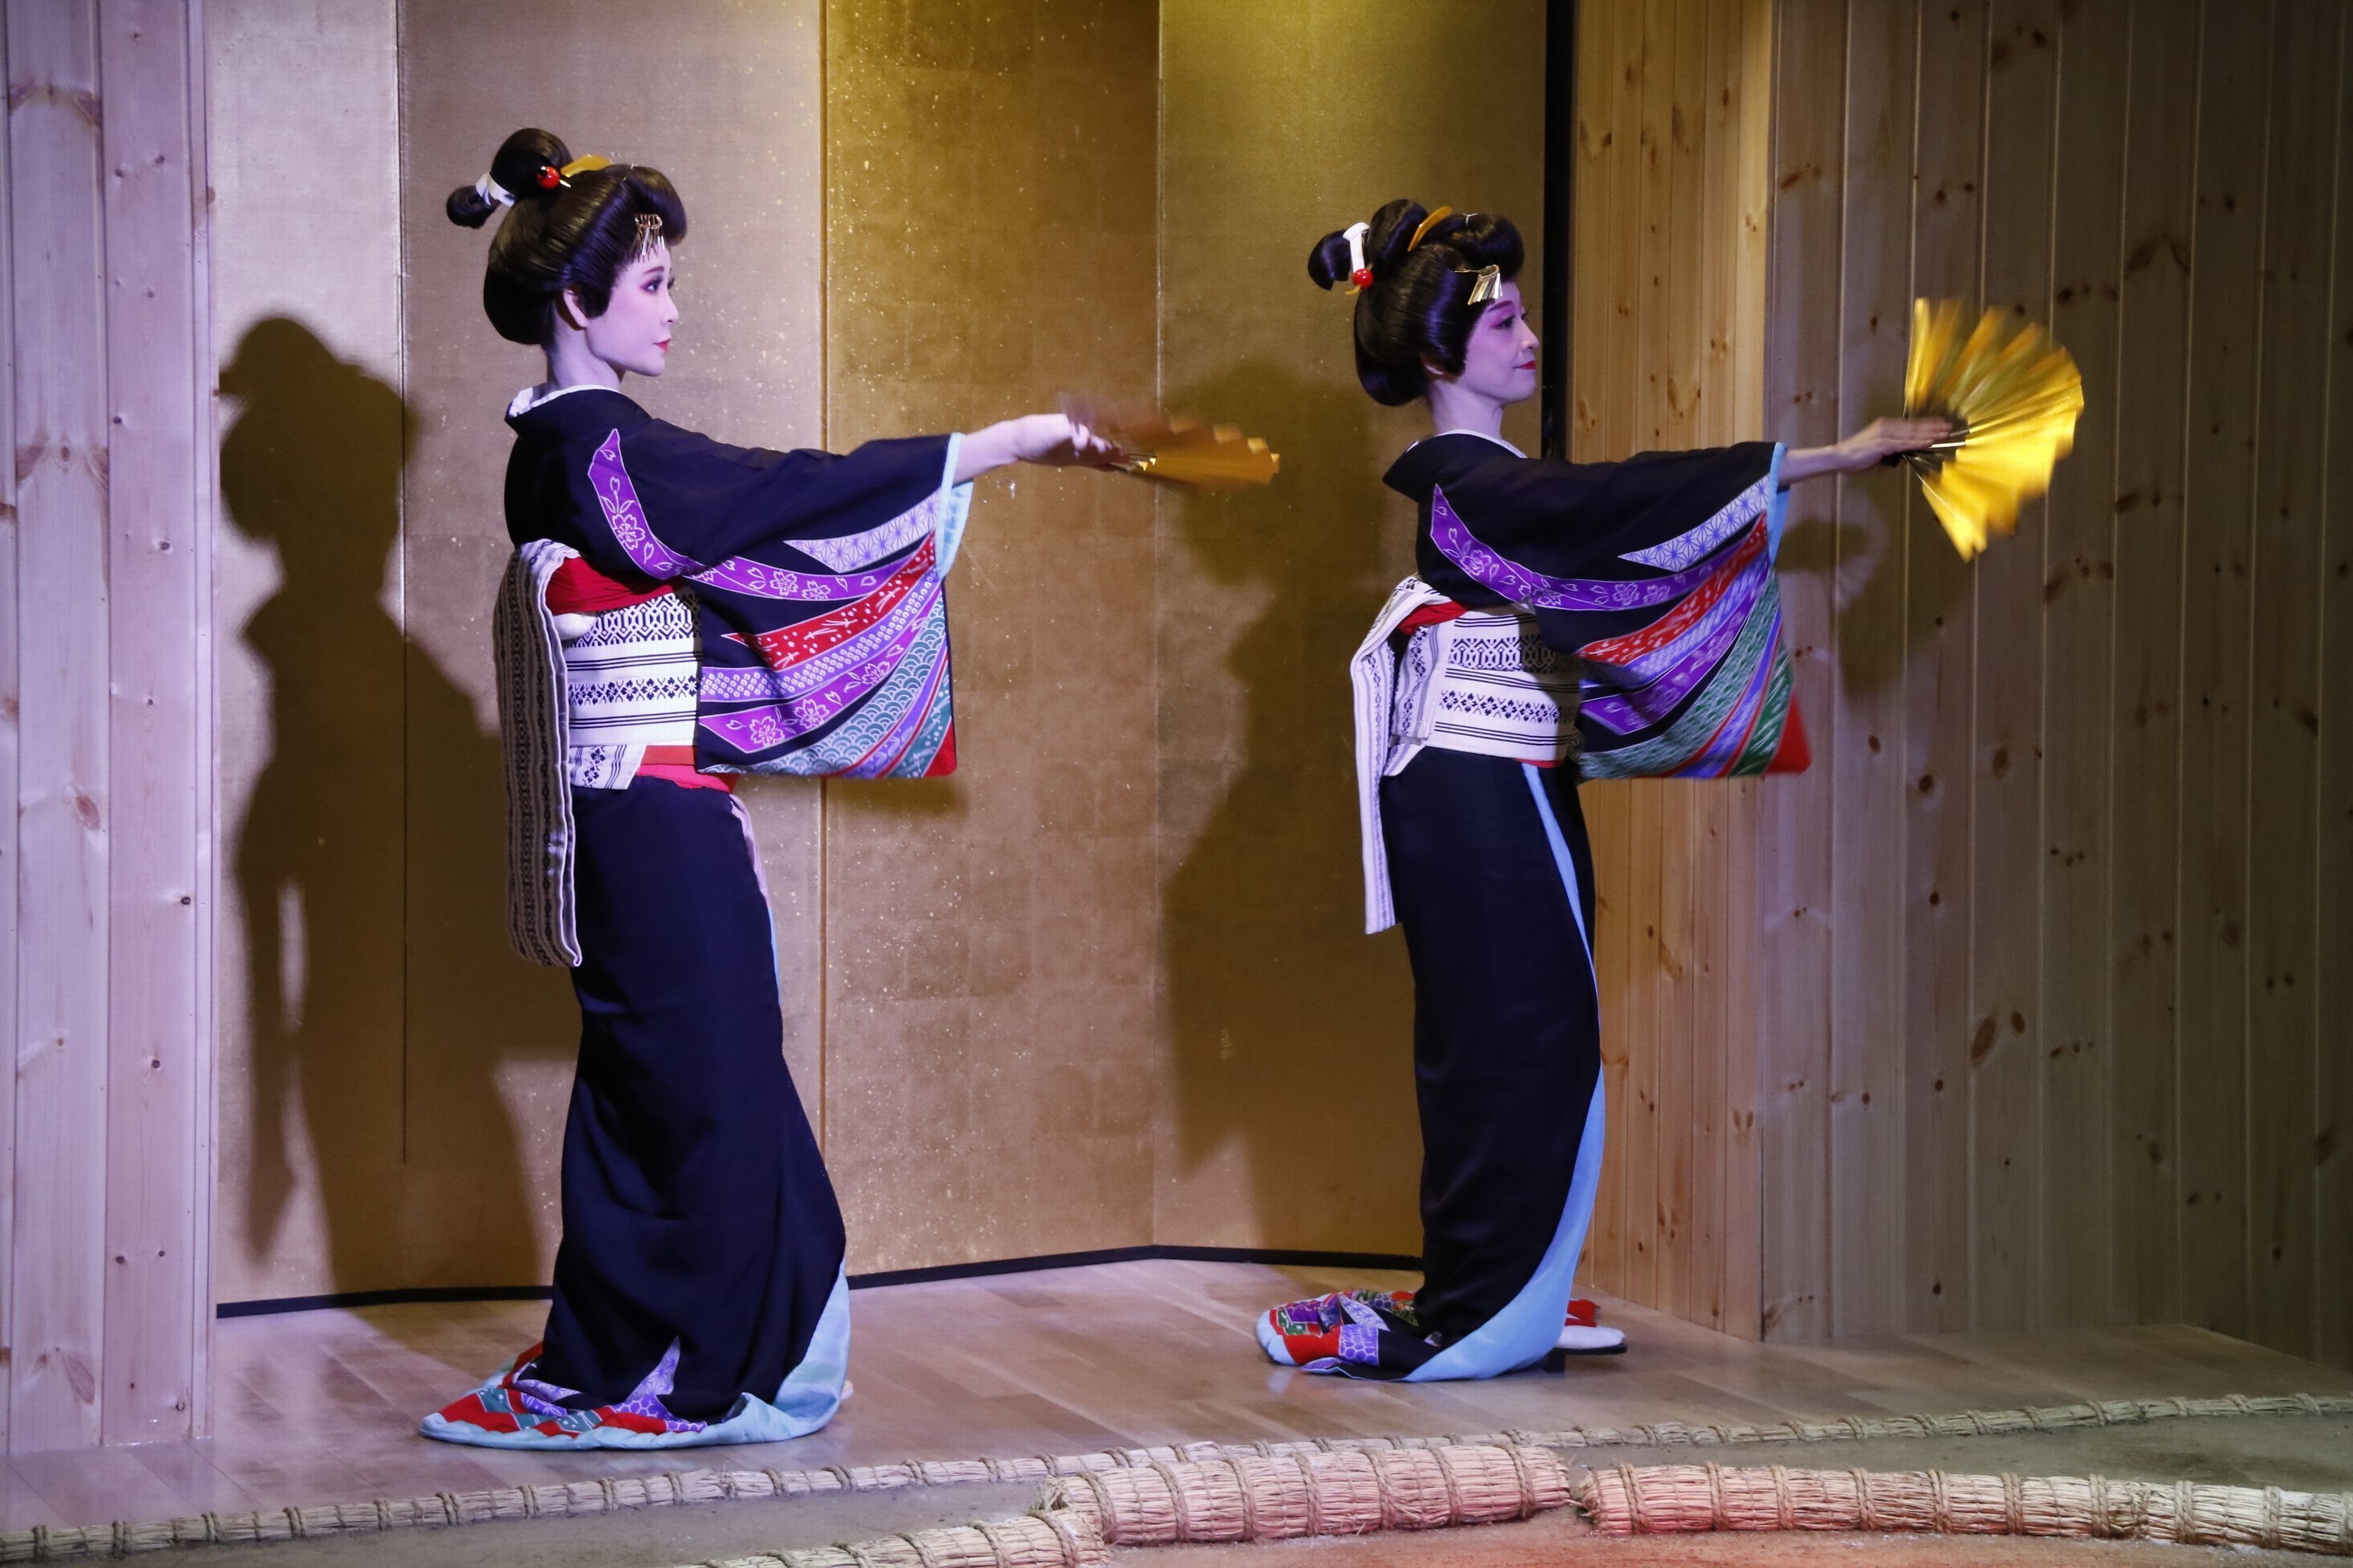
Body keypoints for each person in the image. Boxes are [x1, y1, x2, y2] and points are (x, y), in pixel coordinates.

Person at [424, 128, 1114, 1448]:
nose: (674, 311)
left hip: (638, 813)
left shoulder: (569, 446)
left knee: (665, 1083)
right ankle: (682, 1369)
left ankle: (650, 1358)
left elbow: (747, 511)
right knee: (691, 1087)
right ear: (577, 301)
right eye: (654, 285)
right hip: (647, 820)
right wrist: (995, 444)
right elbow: (776, 494)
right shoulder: (593, 443)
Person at [1256, 201, 1945, 1382]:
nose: (1530, 338)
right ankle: (1476, 1307)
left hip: (1495, 778)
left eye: (1526, 317)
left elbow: (1590, 516)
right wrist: (1826, 457)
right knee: (1516, 1036)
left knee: (1537, 1031)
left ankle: (1512, 1289)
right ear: (1440, 357)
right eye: (1506, 323)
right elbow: (1608, 505)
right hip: (1470, 783)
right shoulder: (1465, 484)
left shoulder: (1485, 480)